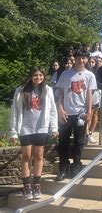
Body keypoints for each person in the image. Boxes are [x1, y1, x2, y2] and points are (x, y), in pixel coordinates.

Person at [8, 67, 58, 200]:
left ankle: (36, 185)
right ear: (31, 76)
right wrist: (13, 132)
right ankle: (26, 187)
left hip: (41, 127)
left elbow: (53, 109)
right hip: (25, 128)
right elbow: (14, 112)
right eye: (35, 75)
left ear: (44, 77)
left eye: (40, 75)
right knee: (26, 157)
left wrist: (54, 127)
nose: (38, 77)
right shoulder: (21, 90)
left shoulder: (48, 90)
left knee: (39, 156)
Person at [55, 49, 97, 181]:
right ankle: (63, 168)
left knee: (79, 142)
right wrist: (60, 109)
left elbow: (89, 95)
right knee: (63, 142)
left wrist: (89, 112)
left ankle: (76, 166)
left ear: (87, 60)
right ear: (75, 58)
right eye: (79, 58)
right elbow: (60, 94)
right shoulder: (66, 74)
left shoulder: (90, 75)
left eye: (84, 58)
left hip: (81, 113)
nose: (82, 60)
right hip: (66, 113)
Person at [85, 57, 101, 145]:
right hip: (86, 97)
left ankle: (91, 132)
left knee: (95, 114)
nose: (91, 63)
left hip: (96, 96)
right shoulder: (85, 72)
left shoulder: (98, 72)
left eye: (93, 62)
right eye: (90, 62)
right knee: (89, 115)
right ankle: (86, 134)